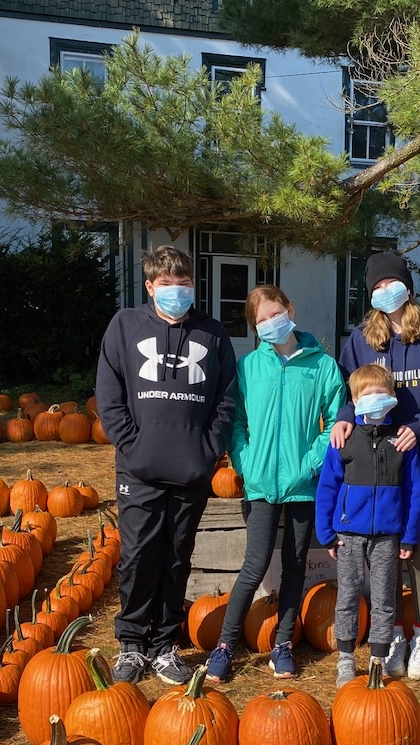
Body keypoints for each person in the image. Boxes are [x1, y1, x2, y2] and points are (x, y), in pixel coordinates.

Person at [94, 245, 237, 684]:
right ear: (151, 286)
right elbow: (109, 393)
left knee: (177, 558)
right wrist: (131, 446)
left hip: (190, 470)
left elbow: (227, 398)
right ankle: (133, 644)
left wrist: (207, 450)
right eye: (168, 284)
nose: (177, 291)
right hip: (138, 470)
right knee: (138, 557)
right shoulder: (125, 326)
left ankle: (165, 645)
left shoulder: (212, 334)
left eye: (185, 283)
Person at [332, 250, 420, 681]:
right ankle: (391, 631)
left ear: (407, 286)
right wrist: (342, 417)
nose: (383, 291)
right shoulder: (361, 340)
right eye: (375, 286)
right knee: (383, 558)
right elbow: (346, 391)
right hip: (376, 473)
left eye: (389, 283)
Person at [204, 285, 346, 683]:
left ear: (290, 309)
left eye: (274, 314)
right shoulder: (248, 367)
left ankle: (283, 643)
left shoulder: (322, 367)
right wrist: (247, 464)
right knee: (255, 564)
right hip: (262, 484)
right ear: (254, 327)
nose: (269, 323)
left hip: (304, 483)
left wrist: (311, 463)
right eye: (260, 320)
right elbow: (236, 423)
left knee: (296, 564)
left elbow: (335, 422)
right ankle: (225, 645)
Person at [316, 362, 420, 688]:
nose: (376, 398)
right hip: (348, 534)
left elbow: (414, 491)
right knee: (347, 595)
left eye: (382, 392)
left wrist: (409, 535)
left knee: (384, 598)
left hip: (388, 536)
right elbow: (327, 487)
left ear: (392, 396)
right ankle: (346, 657)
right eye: (368, 393)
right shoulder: (344, 439)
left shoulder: (402, 441)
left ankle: (378, 656)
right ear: (356, 400)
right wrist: (327, 534)